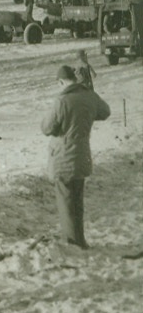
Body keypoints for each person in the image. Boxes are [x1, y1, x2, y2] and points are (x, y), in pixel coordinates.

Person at [41, 65, 110, 248]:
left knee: (65, 202)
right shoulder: (88, 95)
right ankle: (80, 240)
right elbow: (105, 112)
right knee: (77, 202)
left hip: (63, 157)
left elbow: (46, 128)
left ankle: (72, 243)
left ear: (61, 82)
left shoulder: (62, 101)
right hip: (82, 156)